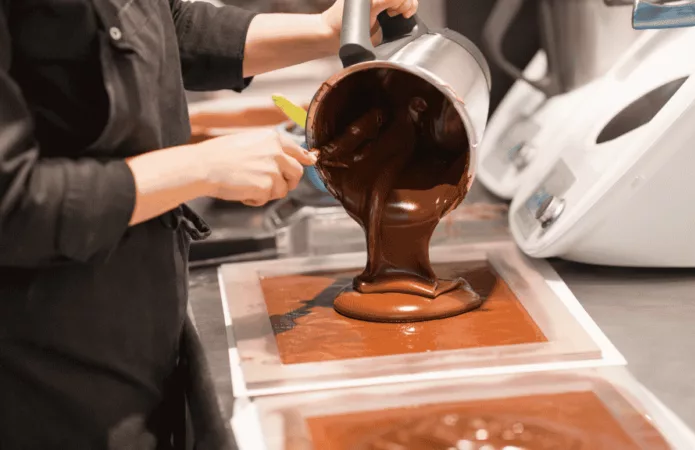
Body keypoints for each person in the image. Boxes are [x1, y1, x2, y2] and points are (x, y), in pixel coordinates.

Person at [0, 0, 419, 448]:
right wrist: (201, 168)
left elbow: (165, 26)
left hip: (144, 329)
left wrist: (324, 29)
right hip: (50, 377)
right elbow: (12, 204)